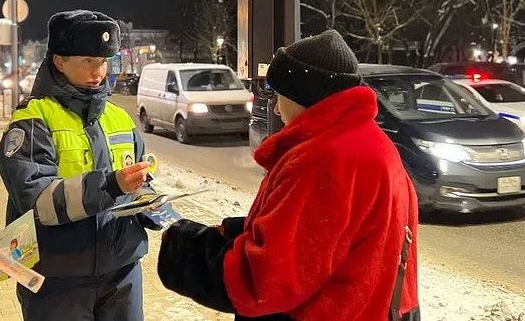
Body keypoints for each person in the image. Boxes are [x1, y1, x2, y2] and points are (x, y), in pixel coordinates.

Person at [157, 30, 421, 321]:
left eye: (279, 95)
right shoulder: (370, 140)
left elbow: (267, 280)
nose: (276, 108)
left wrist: (184, 249)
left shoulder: (320, 160)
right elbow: (333, 236)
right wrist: (240, 230)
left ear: (304, 96)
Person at [0, 10, 159, 321]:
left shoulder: (120, 118)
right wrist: (111, 186)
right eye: (87, 60)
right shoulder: (33, 120)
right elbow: (37, 200)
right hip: (57, 279)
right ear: (59, 61)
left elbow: (137, 179)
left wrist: (150, 202)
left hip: (122, 273)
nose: (98, 71)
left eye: (103, 61)